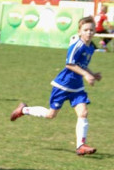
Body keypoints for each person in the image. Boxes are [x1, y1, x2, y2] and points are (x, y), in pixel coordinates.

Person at [10, 17, 102, 155]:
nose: (89, 32)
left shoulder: (91, 47)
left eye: (91, 30)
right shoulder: (77, 46)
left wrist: (92, 74)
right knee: (50, 115)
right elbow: (69, 64)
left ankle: (81, 145)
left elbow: (82, 65)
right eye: (86, 30)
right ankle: (24, 110)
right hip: (63, 85)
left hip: (77, 88)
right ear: (79, 32)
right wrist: (86, 75)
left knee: (83, 113)